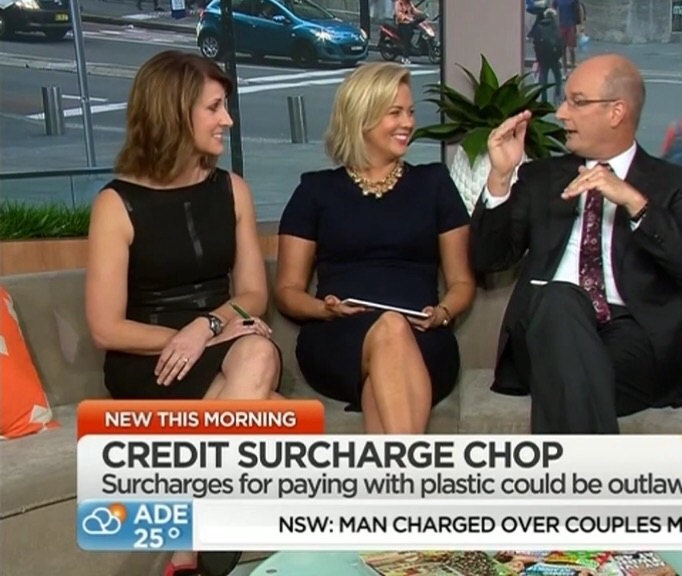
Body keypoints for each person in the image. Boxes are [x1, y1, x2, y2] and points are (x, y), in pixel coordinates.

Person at [84, 50, 281, 576]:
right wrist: (191, 338)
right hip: (149, 359)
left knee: (259, 352)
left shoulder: (233, 190)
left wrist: (207, 327)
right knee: (279, 418)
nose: (227, 120)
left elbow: (253, 295)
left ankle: (189, 549)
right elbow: (106, 328)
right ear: (174, 113)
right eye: (214, 108)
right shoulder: (115, 205)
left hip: (224, 340)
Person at [470, 53, 682, 435]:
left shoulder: (674, 184)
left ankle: (574, 469)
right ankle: (597, 471)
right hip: (548, 329)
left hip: (634, 339)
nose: (561, 113)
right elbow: (488, 258)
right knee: (559, 299)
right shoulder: (541, 177)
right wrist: (500, 178)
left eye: (577, 102)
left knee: (569, 374)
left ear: (616, 112)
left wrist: (634, 202)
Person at [274, 62, 474, 434]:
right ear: (361, 118)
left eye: (410, 112)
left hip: (423, 337)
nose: (408, 123)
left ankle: (391, 471)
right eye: (395, 113)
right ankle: (408, 468)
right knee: (389, 331)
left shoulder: (435, 183)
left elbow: (462, 282)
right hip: (338, 337)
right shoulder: (315, 191)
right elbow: (287, 292)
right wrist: (325, 309)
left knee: (388, 352)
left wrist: (442, 313)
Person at [393, 0, 424, 65]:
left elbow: (414, 11)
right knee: (407, 38)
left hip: (410, 23)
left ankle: (418, 45)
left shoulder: (409, 3)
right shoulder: (399, 3)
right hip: (402, 24)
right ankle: (405, 57)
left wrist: (422, 14)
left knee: (422, 28)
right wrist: (407, 18)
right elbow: (399, 14)